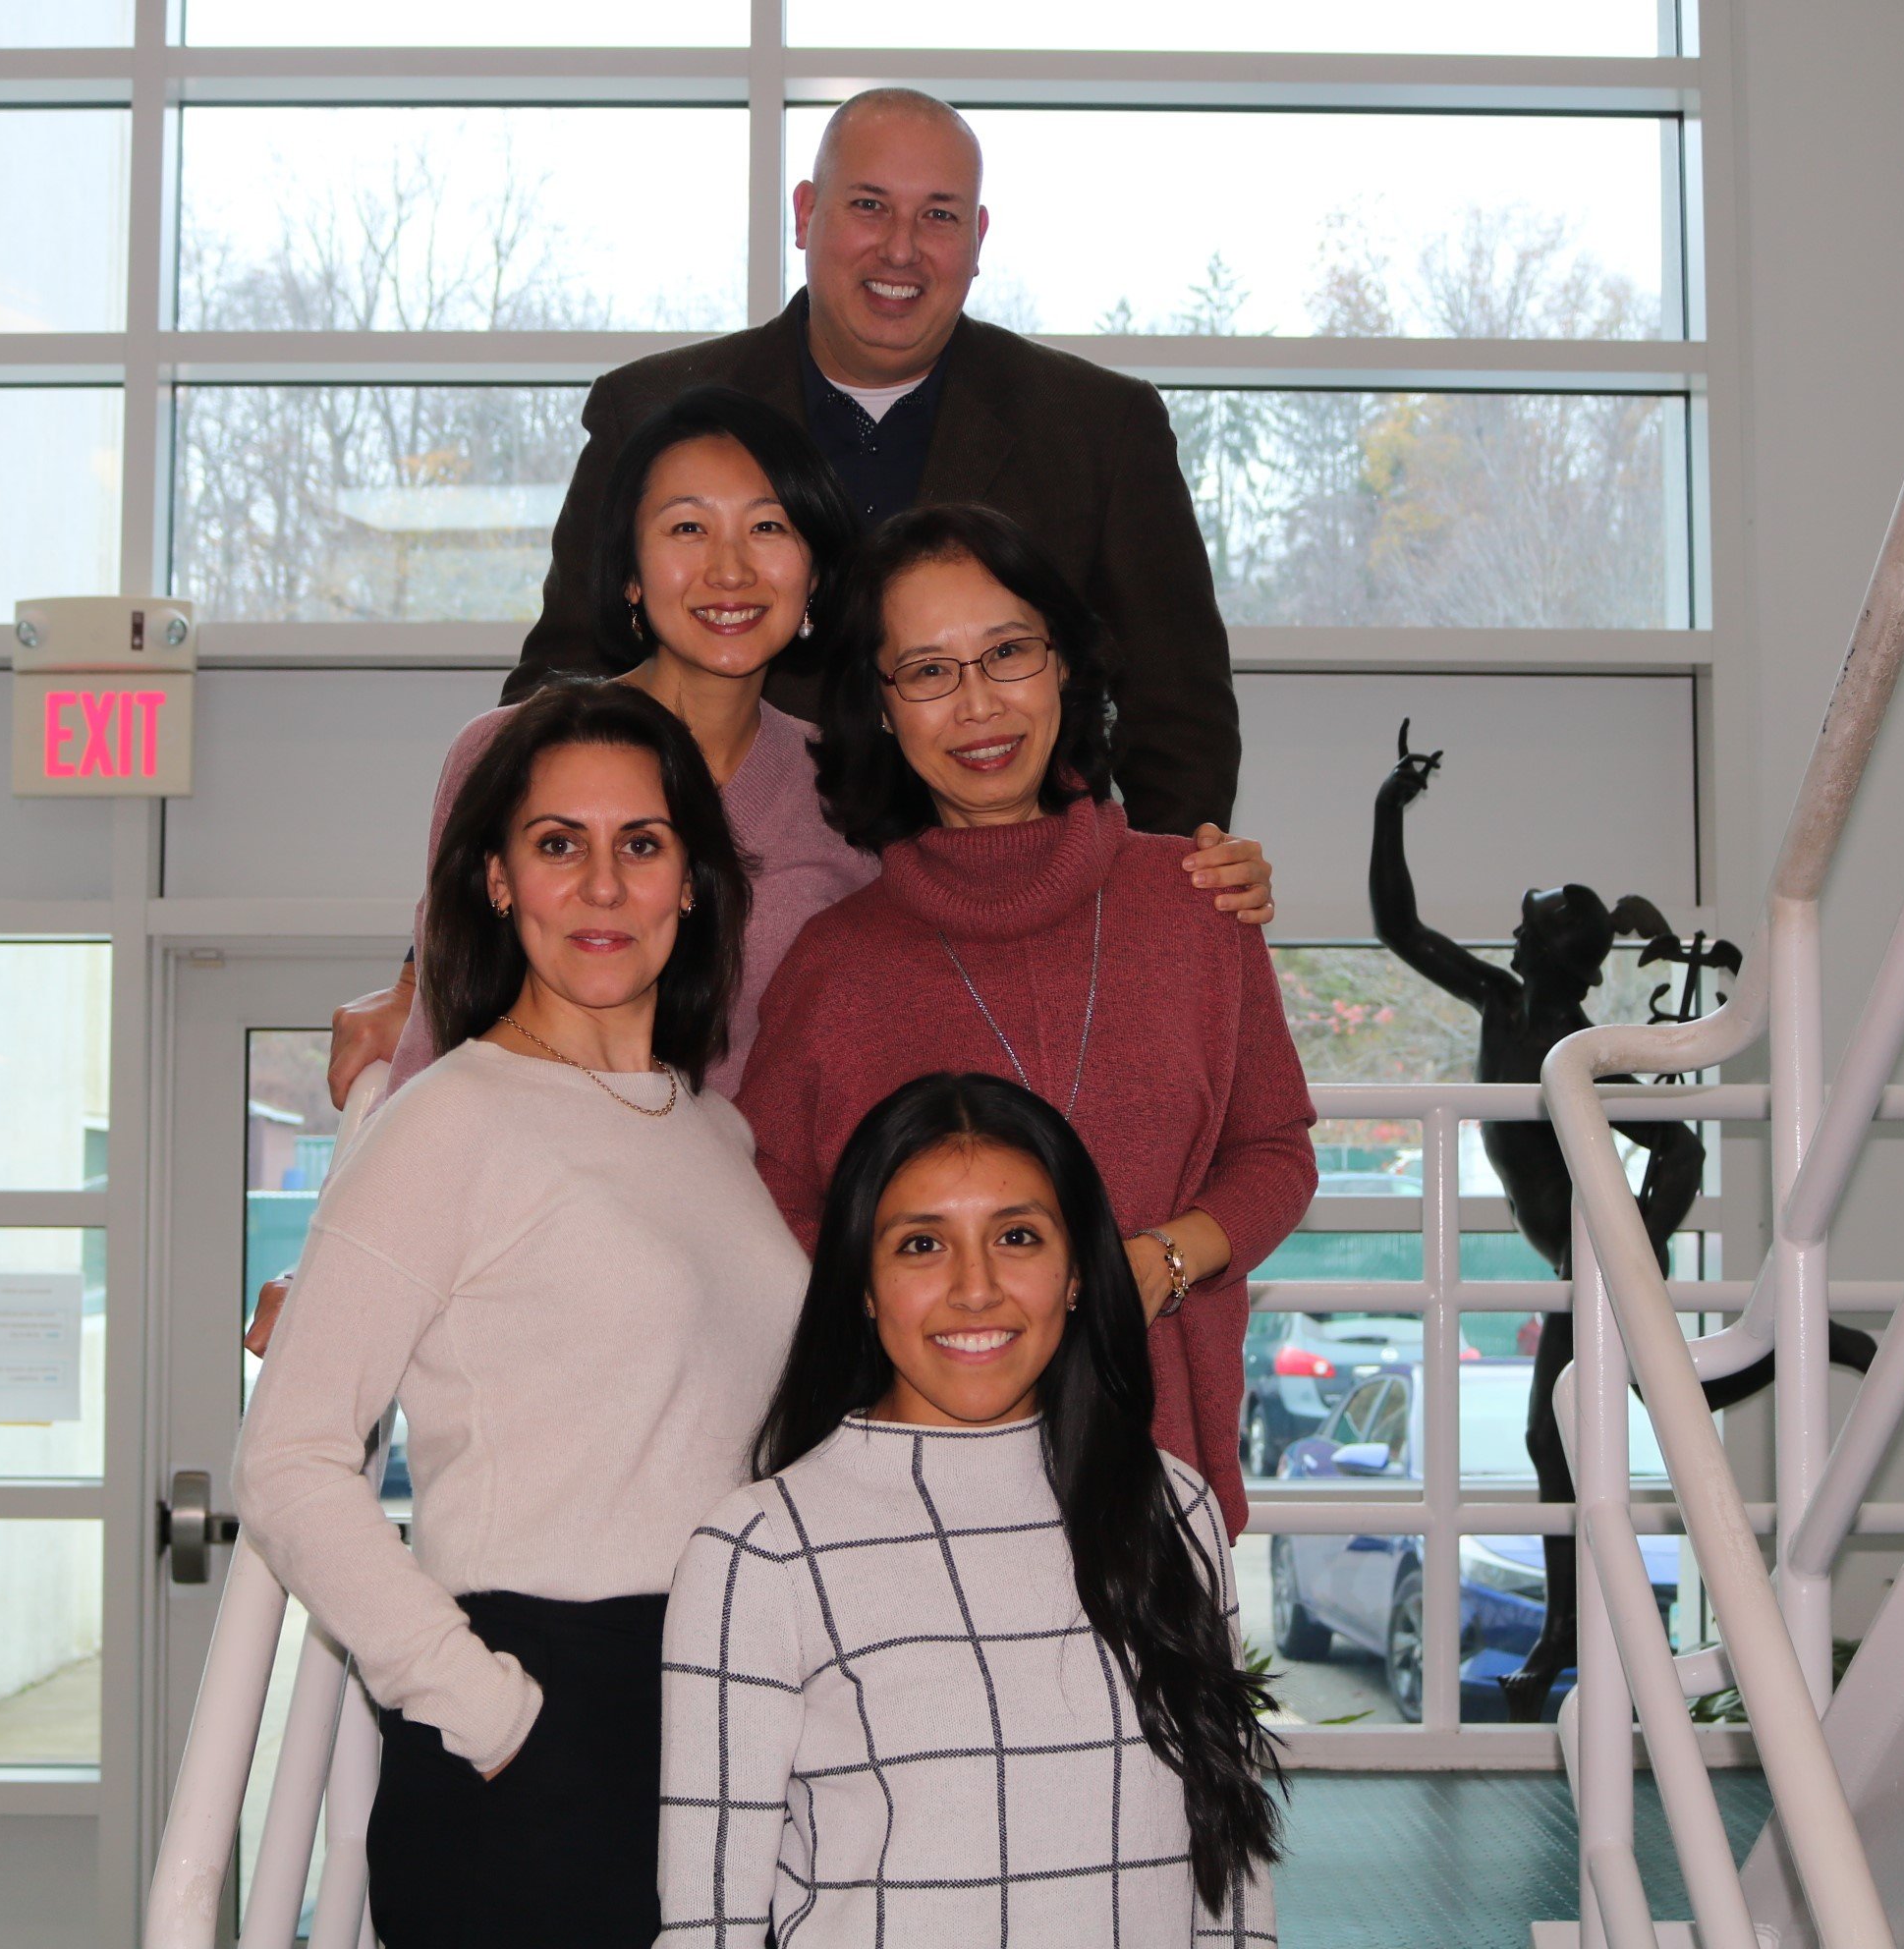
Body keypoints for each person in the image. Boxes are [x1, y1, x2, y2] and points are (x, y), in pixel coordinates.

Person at [252, 390, 1276, 1352]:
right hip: (522, 1261)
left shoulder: (853, 796)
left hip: (746, 1286)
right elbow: (441, 1041)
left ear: (817, 573)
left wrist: (1190, 870)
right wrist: (340, 1268)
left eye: (771, 528)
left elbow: (1008, 889)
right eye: (688, 529)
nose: (730, 570)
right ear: (629, 573)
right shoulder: (510, 756)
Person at [233, 681, 806, 1948]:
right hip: (539, 1719)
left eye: (641, 845)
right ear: (497, 881)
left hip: (720, 1706)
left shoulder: (716, 1131)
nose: (602, 886)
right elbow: (284, 1460)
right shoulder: (449, 1118)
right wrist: (487, 1713)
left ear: (694, 883)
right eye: (559, 845)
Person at [734, 504, 1317, 1537]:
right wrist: (905, 1309)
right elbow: (773, 1195)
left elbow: (1274, 1149)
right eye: (927, 670)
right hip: (907, 1501)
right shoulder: (835, 965)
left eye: (1007, 652)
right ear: (880, 708)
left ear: (1062, 668)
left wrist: (1165, 1260)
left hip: (1157, 1470)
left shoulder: (1196, 903)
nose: (977, 705)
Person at [505, 84, 1241, 840]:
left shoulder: (1099, 428)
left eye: (940, 215)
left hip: (1010, 909)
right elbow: (561, 688)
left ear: (979, 238)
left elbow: (1178, 720)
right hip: (718, 898)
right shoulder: (651, 413)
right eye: (868, 205)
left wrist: (1169, 911)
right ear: (803, 213)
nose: (901, 248)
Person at [658, 1072, 1279, 1946]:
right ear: (863, 1286)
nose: (975, 1288)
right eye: (921, 1245)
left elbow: (1231, 1876)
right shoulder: (761, 1551)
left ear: (1075, 1272)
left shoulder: (1172, 1508)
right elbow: (706, 1923)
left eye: (1017, 1236)